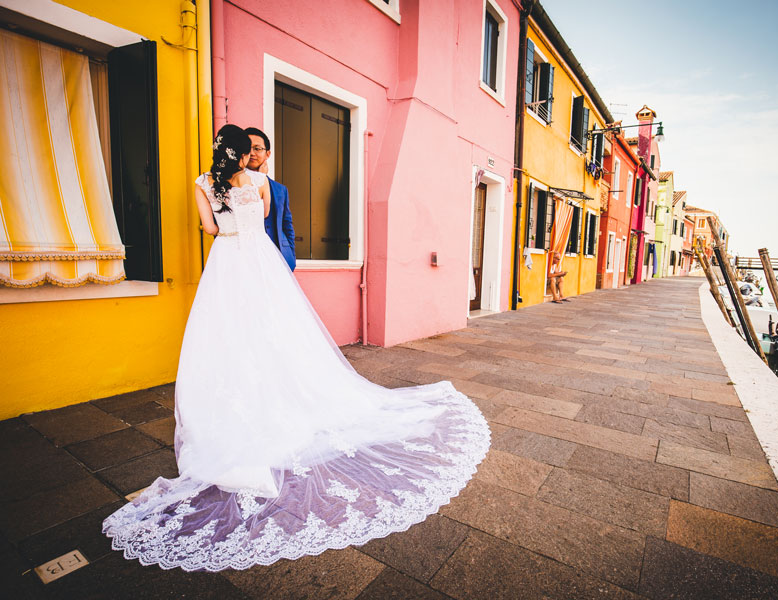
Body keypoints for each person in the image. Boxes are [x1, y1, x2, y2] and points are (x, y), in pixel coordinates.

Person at [102, 126, 490, 572]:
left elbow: (209, 228)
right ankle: (277, 387)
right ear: (242, 152)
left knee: (225, 330)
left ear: (216, 151)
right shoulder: (256, 183)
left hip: (226, 262)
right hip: (258, 260)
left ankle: (235, 396)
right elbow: (265, 216)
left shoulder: (202, 183)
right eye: (249, 149)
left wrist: (221, 220)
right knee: (275, 330)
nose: (254, 154)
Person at [244, 127, 296, 271]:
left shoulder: (280, 189)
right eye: (247, 148)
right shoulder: (232, 186)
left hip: (279, 256)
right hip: (247, 258)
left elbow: (287, 224)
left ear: (267, 154)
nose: (252, 153)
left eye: (257, 148)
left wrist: (290, 252)